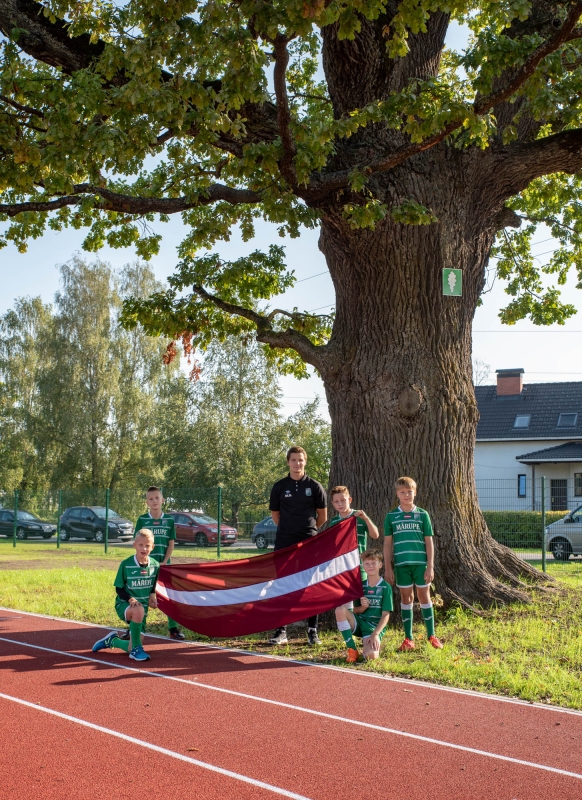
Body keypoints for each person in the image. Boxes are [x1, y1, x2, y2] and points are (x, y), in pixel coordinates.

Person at [268, 446, 327, 646]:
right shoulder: (279, 487)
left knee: (310, 587)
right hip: (284, 543)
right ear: (288, 462)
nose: (297, 464)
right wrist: (288, 531)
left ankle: (312, 630)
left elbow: (323, 516)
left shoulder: (315, 486)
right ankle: (281, 630)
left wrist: (307, 532)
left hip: (310, 544)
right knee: (283, 586)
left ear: (305, 461)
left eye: (300, 460)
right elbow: (276, 516)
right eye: (293, 460)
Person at [383, 476, 443, 651]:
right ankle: (408, 638)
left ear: (415, 493)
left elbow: (429, 542)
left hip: (421, 564)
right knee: (406, 598)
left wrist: (430, 566)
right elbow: (387, 544)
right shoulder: (391, 516)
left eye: (409, 492)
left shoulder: (422, 514)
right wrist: (388, 568)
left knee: (424, 596)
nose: (406, 495)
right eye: (402, 492)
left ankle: (431, 635)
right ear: (397, 494)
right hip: (401, 565)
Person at [92, 529, 159, 662]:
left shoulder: (155, 566)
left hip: (142, 610)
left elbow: (153, 585)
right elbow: (119, 589)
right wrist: (131, 599)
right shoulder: (126, 564)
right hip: (124, 604)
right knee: (138, 610)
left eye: (147, 545)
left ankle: (113, 641)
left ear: (152, 547)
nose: (144, 548)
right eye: (140, 545)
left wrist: (152, 595)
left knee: (131, 646)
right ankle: (136, 651)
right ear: (134, 545)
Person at [133, 486, 185, 640]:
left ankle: (173, 628)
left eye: (157, 498)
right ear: (147, 502)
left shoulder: (169, 520)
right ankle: (138, 629)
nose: (154, 501)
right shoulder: (142, 520)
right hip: (146, 565)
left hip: (164, 565)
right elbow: (137, 543)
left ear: (162, 500)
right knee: (143, 596)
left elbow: (171, 544)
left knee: (168, 596)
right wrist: (142, 561)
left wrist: (163, 561)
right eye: (151, 499)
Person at [334, 549, 392, 663]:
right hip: (360, 623)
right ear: (363, 566)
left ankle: (368, 646)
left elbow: (386, 615)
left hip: (373, 628)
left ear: (380, 565)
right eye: (367, 563)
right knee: (340, 610)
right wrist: (363, 608)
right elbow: (354, 611)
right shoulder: (360, 586)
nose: (370, 566)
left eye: (373, 563)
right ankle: (352, 649)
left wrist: (375, 634)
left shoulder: (386, 587)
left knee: (372, 656)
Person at [327, 485, 379, 584]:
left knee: (360, 597)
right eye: (336, 502)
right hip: (341, 567)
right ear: (333, 504)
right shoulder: (334, 521)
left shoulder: (359, 516)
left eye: (343, 500)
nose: (340, 504)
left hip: (359, 565)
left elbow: (375, 535)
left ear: (350, 500)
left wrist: (366, 519)